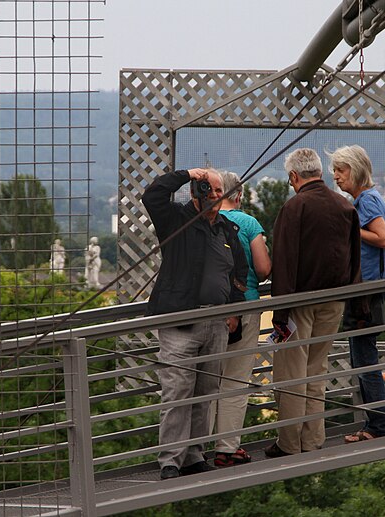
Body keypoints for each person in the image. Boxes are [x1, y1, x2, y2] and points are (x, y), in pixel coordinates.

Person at [142, 167, 248, 480]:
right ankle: (171, 460)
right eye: (209, 190)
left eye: (219, 191)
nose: (215, 197)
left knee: (205, 390)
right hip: (181, 321)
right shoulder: (176, 220)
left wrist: (234, 310)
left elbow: (239, 274)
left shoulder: (227, 229)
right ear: (196, 193)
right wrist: (187, 174)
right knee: (177, 391)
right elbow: (152, 195)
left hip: (216, 322)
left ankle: (194, 454)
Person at [265, 148, 361, 458]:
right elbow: (354, 258)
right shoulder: (345, 207)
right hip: (334, 301)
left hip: (300, 303)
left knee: (292, 373)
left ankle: (289, 443)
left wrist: (280, 314)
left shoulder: (295, 208)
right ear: (319, 171)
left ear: (294, 176)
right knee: (317, 370)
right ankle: (313, 439)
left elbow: (284, 262)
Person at [329, 145, 385, 443]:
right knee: (363, 356)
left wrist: (347, 230)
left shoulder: (367, 202)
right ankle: (376, 423)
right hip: (372, 286)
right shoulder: (369, 199)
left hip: (370, 288)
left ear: (357, 171)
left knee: (364, 359)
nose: (336, 176)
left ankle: (376, 426)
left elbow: (382, 239)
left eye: (341, 170)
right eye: (334, 170)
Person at [209, 171, 271, 468]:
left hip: (208, 311)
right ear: (240, 195)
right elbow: (262, 269)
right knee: (234, 379)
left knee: (206, 381)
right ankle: (227, 447)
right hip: (244, 307)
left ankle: (194, 448)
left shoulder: (203, 222)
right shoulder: (248, 224)